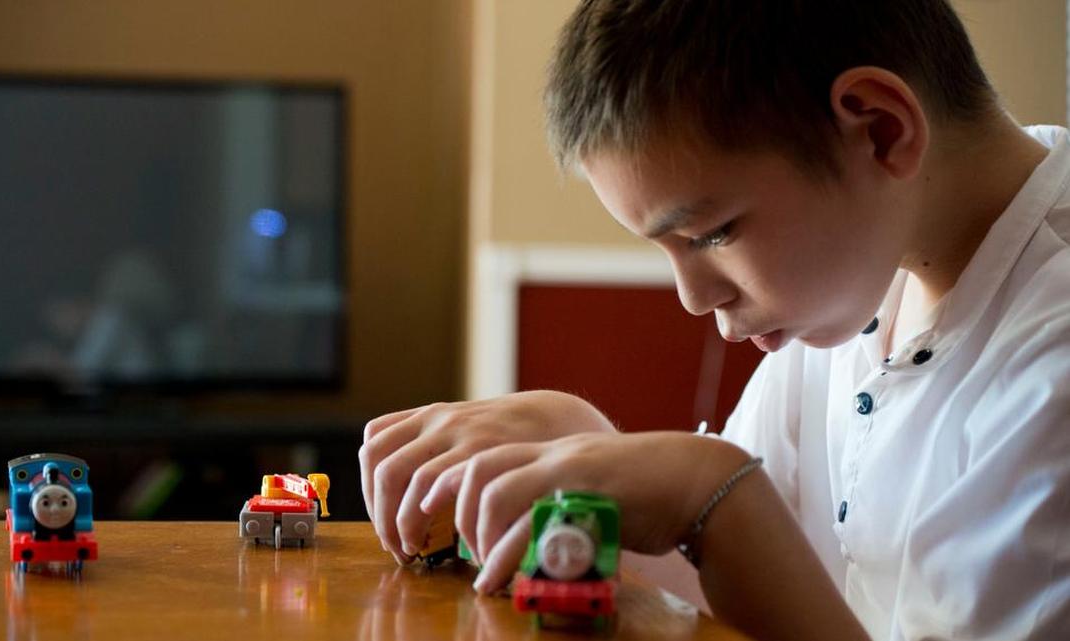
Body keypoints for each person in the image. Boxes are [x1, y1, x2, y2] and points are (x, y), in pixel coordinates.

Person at [359, 2, 1069, 639]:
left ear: (881, 131)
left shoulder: (1051, 366)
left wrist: (716, 497)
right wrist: (591, 447)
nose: (693, 298)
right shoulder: (864, 274)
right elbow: (743, 592)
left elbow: (733, 525)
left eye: (712, 233)